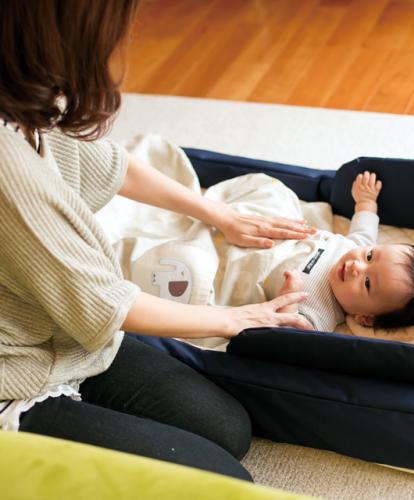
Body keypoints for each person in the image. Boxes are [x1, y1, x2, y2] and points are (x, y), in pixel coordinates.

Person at [0, 0, 315, 482]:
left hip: (62, 337)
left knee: (227, 430)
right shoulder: (9, 169)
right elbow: (105, 303)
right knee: (223, 483)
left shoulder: (26, 95)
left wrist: (219, 213)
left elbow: (108, 163)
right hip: (13, 371)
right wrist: (237, 318)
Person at [275, 171, 414, 331]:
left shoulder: (320, 314)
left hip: (262, 262)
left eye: (367, 283)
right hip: (280, 231)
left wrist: (289, 298)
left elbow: (288, 331)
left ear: (366, 318)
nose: (356, 266)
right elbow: (365, 225)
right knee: (276, 192)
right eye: (370, 256)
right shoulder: (356, 246)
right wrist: (366, 200)